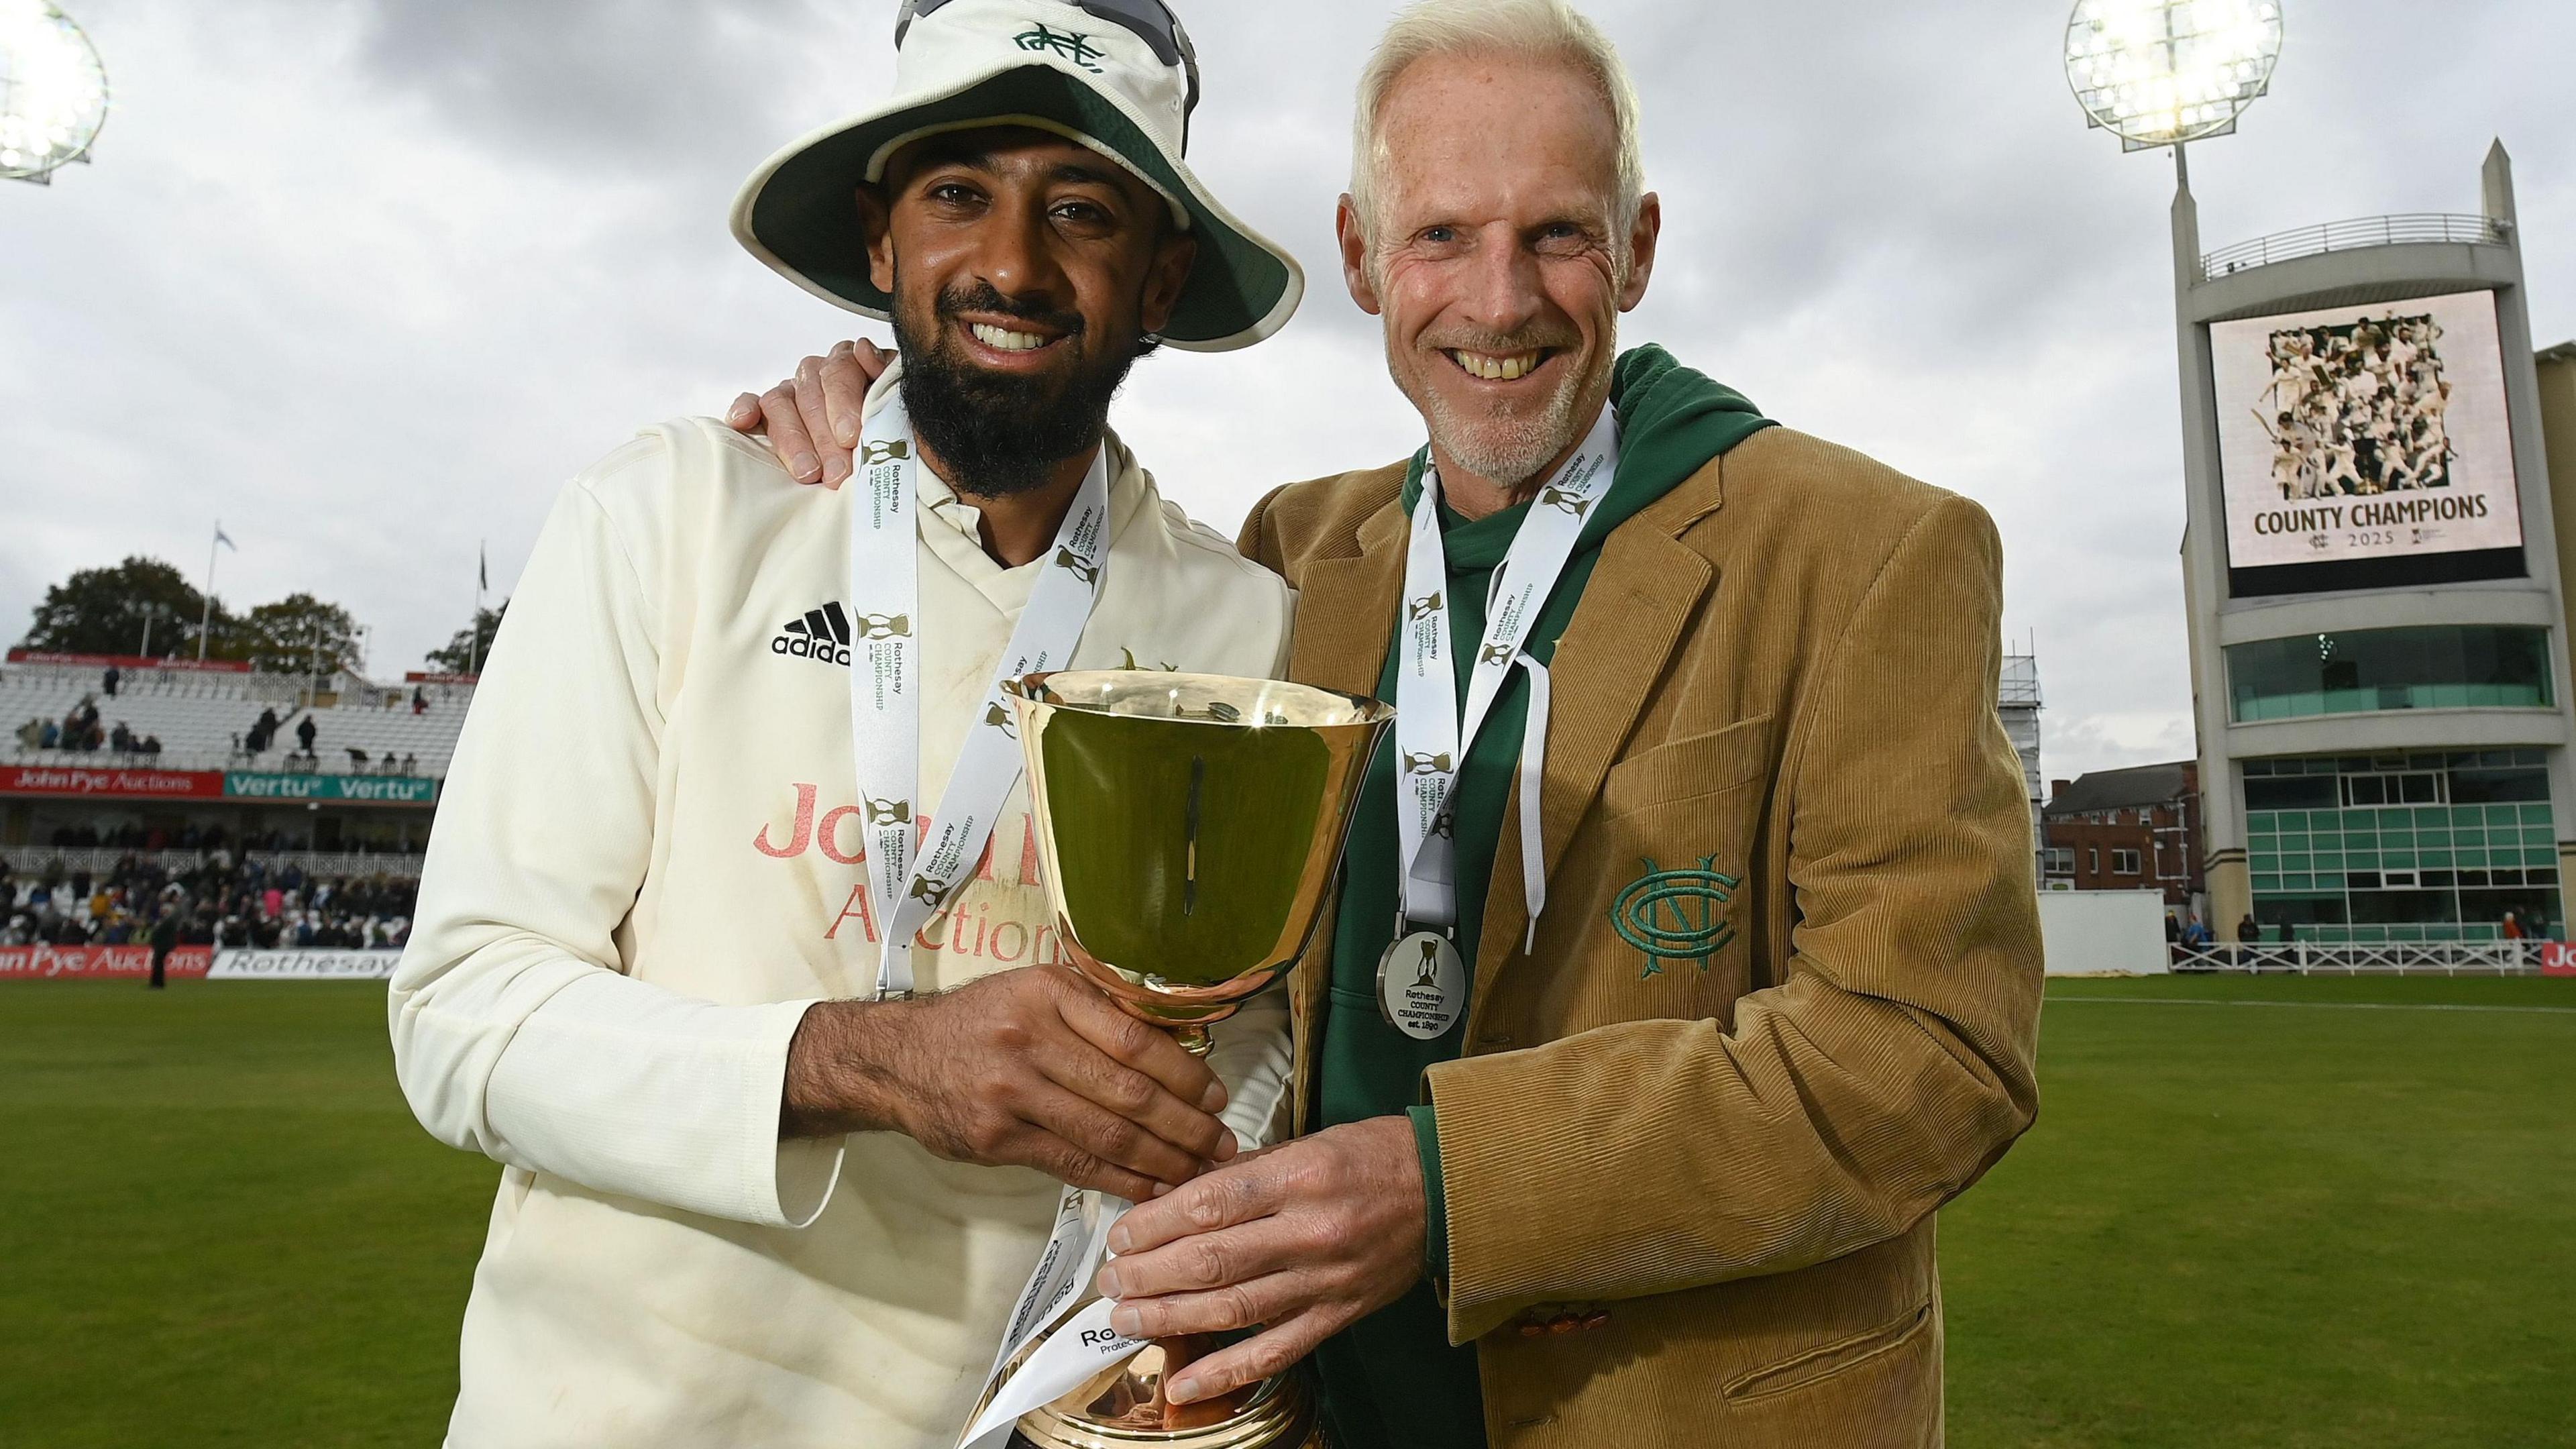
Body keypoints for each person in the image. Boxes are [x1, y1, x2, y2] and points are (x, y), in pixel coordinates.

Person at [736, 3, 2044, 1443]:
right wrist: (878, 419)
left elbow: (1930, 1052)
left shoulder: (1869, 550)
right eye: (1440, 237)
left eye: (1558, 233)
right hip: (1320, 1406)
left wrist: (1447, 1185)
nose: (1499, 303)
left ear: (1642, 247)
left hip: (1668, 1405)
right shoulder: (1293, 555)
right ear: (1362, 256)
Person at [390, 3, 1308, 1445]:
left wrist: (1202, 1200)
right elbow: (461, 1020)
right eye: (959, 195)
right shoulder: (676, 510)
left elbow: (1240, 1026)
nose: (1011, 262)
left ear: (1160, 279)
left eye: (1081, 210)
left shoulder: (1237, 624)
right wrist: (872, 1062)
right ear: (882, 241)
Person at [146, 905, 178, 991]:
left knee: (158, 964)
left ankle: (157, 983)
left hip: (163, 946)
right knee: (158, 964)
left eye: (163, 910)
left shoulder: (168, 921)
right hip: (162, 945)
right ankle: (157, 983)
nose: (161, 911)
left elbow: (160, 932)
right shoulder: (167, 920)